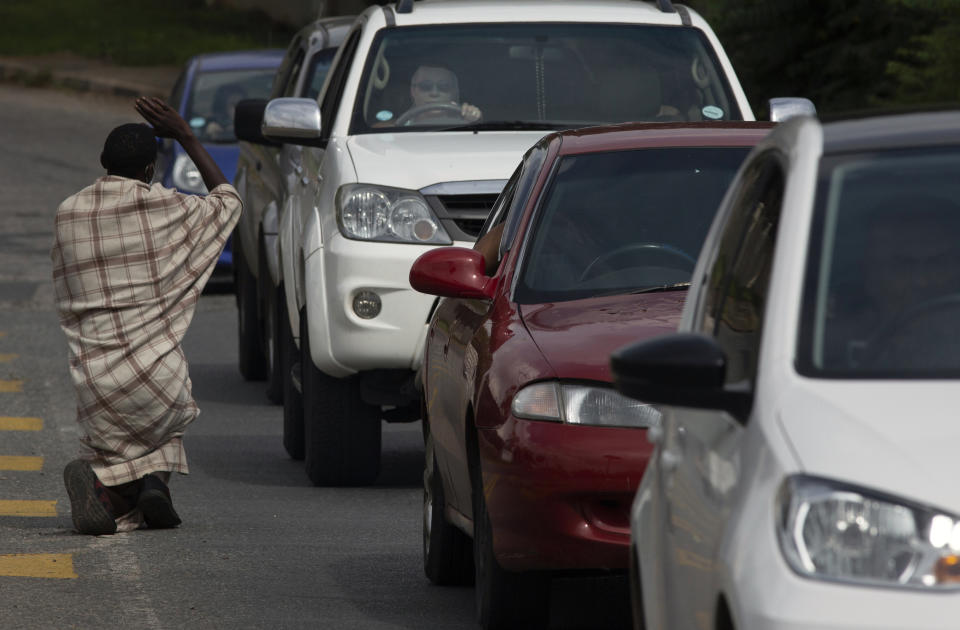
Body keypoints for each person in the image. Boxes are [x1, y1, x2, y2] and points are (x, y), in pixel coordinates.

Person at [51, 96, 243, 535]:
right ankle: (151, 484)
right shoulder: (172, 208)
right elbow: (228, 201)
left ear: (103, 162)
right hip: (158, 380)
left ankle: (108, 488)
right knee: (169, 417)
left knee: (110, 445)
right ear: (150, 170)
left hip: (96, 385)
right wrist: (186, 136)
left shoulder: (68, 213)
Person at [395, 64, 482, 125]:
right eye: (426, 86)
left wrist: (474, 120)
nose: (434, 93)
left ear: (454, 92)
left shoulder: (467, 125)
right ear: (413, 91)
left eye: (444, 87)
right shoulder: (394, 128)